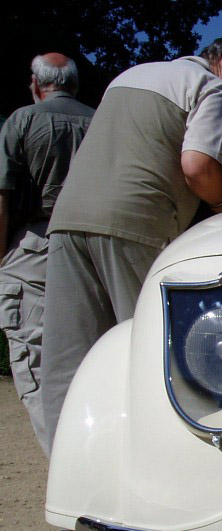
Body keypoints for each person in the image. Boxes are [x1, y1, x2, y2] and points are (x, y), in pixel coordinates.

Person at [41, 38, 222, 454]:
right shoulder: (209, 87)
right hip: (136, 221)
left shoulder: (129, 76)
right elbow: (198, 167)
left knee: (67, 359)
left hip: (68, 217)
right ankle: (156, 461)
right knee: (149, 351)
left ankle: (67, 465)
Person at [0, 53, 94, 455]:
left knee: (35, 363)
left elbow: (2, 197)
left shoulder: (21, 120)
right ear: (75, 84)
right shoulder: (100, 121)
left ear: (36, 84)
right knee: (89, 366)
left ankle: (68, 466)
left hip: (36, 249)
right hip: (95, 251)